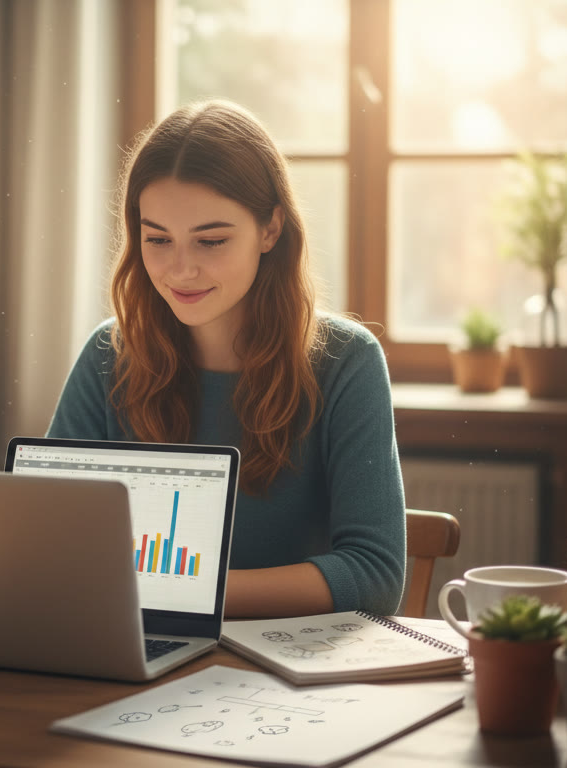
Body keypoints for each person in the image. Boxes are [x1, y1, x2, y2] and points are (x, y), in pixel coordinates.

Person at [47, 100, 406, 618]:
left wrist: (180, 593)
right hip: (134, 655)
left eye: (211, 240)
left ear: (271, 230)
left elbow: (374, 576)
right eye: (157, 239)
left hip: (279, 679)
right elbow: (41, 542)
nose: (181, 270)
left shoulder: (346, 363)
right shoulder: (110, 355)